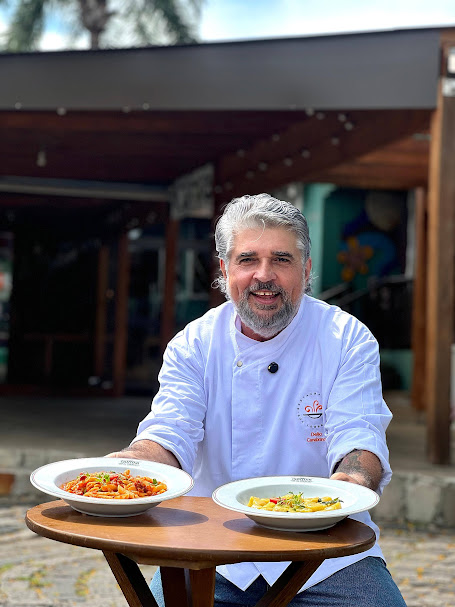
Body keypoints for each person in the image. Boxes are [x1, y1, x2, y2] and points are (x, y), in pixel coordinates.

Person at [108, 193, 407, 607]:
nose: (263, 276)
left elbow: (359, 438)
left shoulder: (346, 339)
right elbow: (169, 432)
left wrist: (348, 488)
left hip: (326, 553)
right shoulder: (194, 343)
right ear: (224, 269)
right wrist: (127, 469)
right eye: (248, 259)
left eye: (281, 260)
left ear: (305, 270)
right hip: (213, 550)